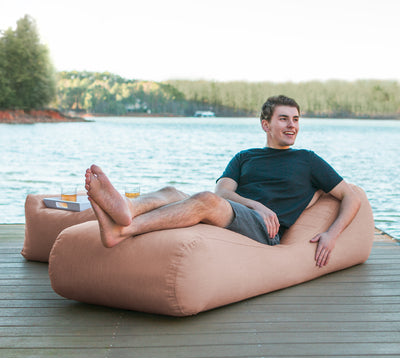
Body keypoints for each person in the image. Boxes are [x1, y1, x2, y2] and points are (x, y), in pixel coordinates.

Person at [85, 95, 361, 267]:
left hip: (265, 230)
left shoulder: (307, 160)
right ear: (265, 125)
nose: (292, 125)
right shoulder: (245, 156)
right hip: (244, 212)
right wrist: (256, 205)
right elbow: (223, 191)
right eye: (284, 119)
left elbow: (351, 195)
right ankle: (128, 208)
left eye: (296, 119)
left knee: (205, 200)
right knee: (171, 190)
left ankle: (122, 231)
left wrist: (332, 234)